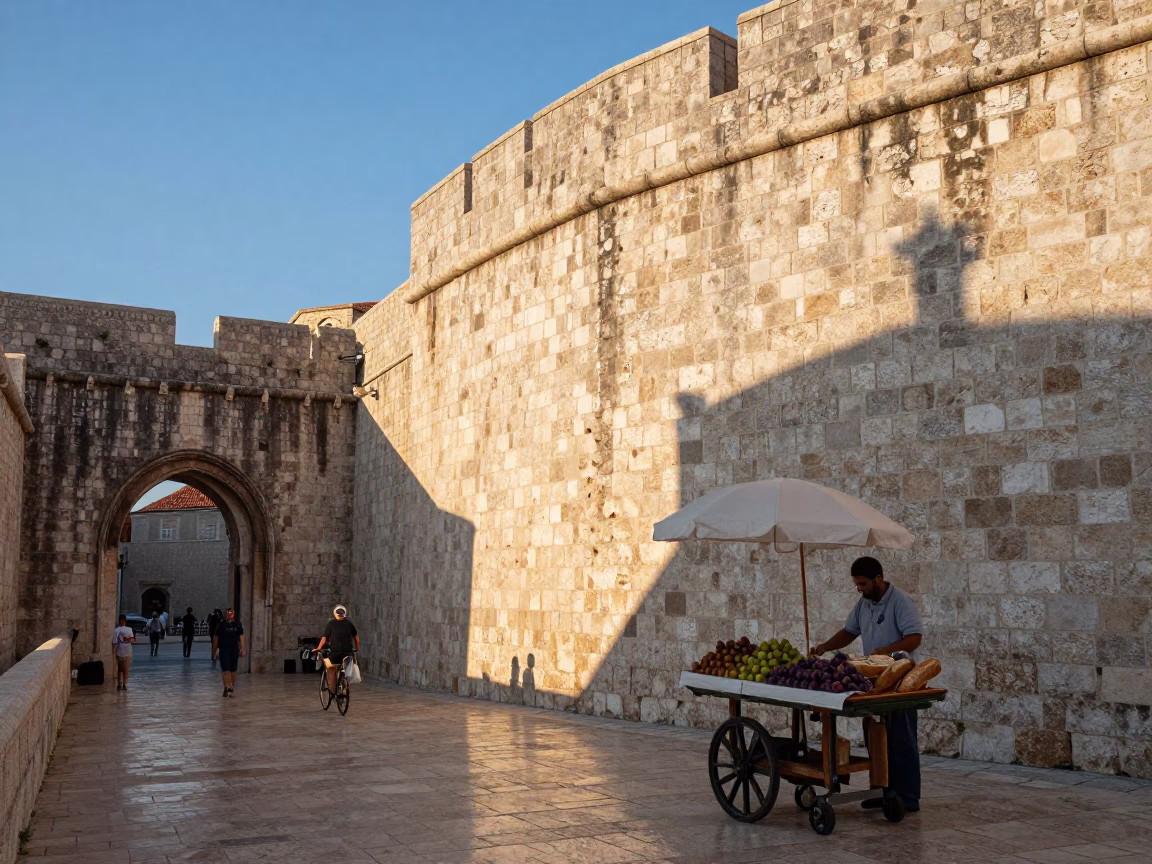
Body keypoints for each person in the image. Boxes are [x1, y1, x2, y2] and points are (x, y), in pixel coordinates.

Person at [809, 556, 924, 813]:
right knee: (877, 739)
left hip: (901, 681)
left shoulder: (901, 602)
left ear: (878, 579)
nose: (859, 588)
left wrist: (887, 651)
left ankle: (908, 797)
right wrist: (824, 647)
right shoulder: (863, 604)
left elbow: (914, 638)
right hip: (876, 682)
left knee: (901, 739)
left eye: (862, 584)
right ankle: (883, 791)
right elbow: (850, 631)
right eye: (856, 584)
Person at [314, 604, 359, 696]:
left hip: (335, 652)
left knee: (331, 669)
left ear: (335, 613)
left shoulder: (331, 624)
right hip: (348, 652)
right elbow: (356, 637)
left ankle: (333, 691)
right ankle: (346, 684)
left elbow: (324, 638)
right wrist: (357, 648)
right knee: (348, 669)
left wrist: (319, 648)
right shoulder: (349, 624)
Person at [212, 607, 244, 697]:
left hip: (234, 650)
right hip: (224, 649)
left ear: (234, 614)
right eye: (227, 613)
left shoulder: (237, 624)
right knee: (225, 669)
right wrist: (214, 652)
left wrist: (243, 649)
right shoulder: (221, 625)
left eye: (231, 613)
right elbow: (216, 638)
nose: (229, 614)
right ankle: (227, 685)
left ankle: (230, 687)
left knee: (233, 669)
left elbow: (241, 637)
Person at [111, 614, 136, 690]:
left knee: (123, 669)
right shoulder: (121, 630)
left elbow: (132, 640)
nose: (122, 621)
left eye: (122, 620)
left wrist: (113, 650)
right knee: (122, 668)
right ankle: (122, 683)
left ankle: (122, 683)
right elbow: (115, 641)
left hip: (124, 651)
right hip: (123, 651)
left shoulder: (123, 630)